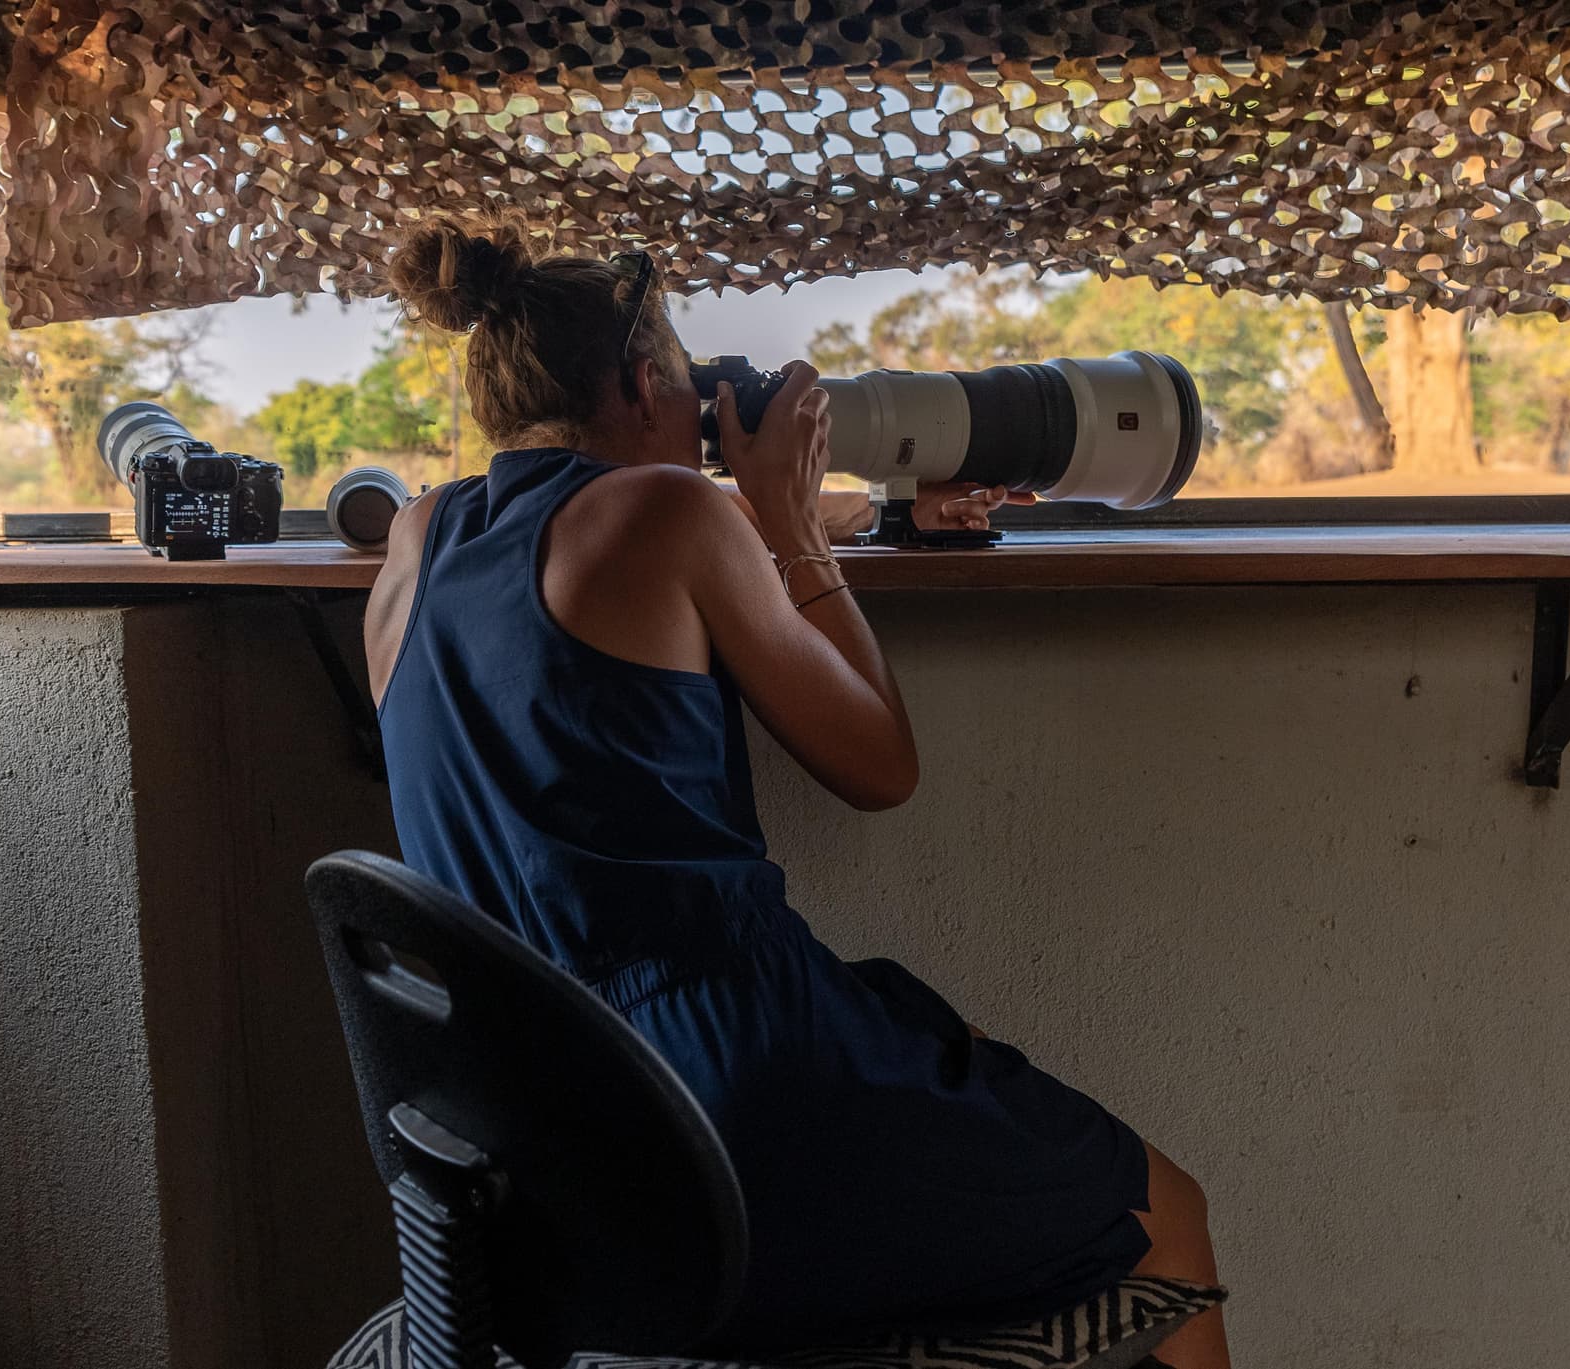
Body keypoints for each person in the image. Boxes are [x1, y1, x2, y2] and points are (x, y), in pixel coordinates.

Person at [362, 219, 1229, 1368]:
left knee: (925, 1038)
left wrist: (830, 518)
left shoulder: (416, 545)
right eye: (684, 393)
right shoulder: (672, 517)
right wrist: (775, 514)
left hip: (537, 1147)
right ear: (637, 382)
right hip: (730, 1106)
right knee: (1165, 1218)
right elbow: (879, 766)